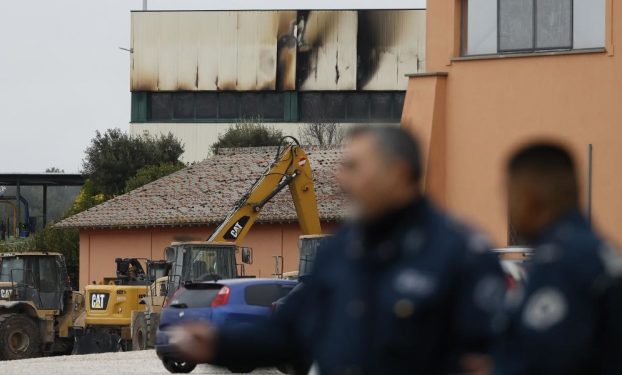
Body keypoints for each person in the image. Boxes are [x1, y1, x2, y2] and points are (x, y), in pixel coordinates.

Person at [169, 126, 506, 374]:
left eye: (354, 167)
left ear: (398, 173)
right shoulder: (340, 253)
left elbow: (495, 356)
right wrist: (218, 343)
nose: (342, 179)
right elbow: (286, 332)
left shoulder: (459, 254)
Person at [494, 143, 622, 374]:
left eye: (508, 195)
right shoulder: (601, 251)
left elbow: (538, 360)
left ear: (528, 196)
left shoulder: (559, 265)